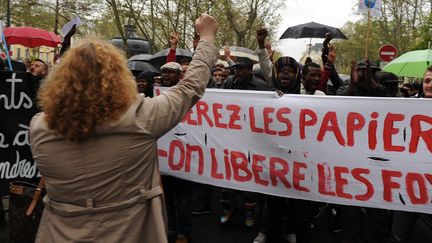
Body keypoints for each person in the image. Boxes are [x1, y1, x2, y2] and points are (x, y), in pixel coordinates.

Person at [29, 13, 219, 243]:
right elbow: (190, 87)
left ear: (59, 81)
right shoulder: (139, 118)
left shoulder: (39, 127)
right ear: (119, 77)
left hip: (59, 233)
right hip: (129, 232)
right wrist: (207, 37)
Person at [385, 65, 432, 243]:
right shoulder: (407, 106)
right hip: (410, 183)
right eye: (427, 80)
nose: (430, 85)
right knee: (398, 235)